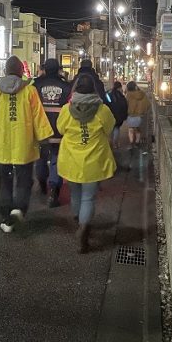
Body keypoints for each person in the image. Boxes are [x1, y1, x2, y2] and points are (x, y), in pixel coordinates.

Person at [0, 55, 53, 233]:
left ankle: (6, 218)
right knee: (24, 180)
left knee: (4, 183)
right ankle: (19, 209)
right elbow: (39, 118)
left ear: (5, 71)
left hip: (2, 146)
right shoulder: (30, 91)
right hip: (24, 146)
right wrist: (44, 140)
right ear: (21, 72)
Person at [57, 74, 117, 253]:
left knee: (75, 194)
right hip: (94, 160)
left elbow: (60, 129)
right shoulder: (102, 110)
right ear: (93, 89)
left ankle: (79, 220)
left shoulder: (66, 109)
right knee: (88, 197)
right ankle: (84, 226)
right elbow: (110, 128)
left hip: (71, 160)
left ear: (76, 89)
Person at [33, 58, 71, 207]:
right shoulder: (66, 86)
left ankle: (42, 181)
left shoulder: (36, 85)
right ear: (59, 70)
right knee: (56, 159)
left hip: (41, 129)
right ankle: (54, 190)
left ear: (44, 69)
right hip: (59, 130)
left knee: (41, 158)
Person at [125, 81, 150, 148]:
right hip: (139, 116)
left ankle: (131, 142)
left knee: (130, 129)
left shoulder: (128, 95)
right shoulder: (142, 94)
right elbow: (147, 104)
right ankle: (137, 142)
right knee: (137, 129)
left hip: (130, 115)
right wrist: (142, 111)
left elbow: (125, 105)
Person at [106, 81, 128, 148]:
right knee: (116, 128)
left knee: (110, 129)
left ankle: (110, 142)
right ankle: (115, 143)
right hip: (119, 116)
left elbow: (106, 104)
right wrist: (124, 115)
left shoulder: (108, 95)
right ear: (119, 87)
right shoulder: (121, 96)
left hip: (110, 114)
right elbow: (125, 106)